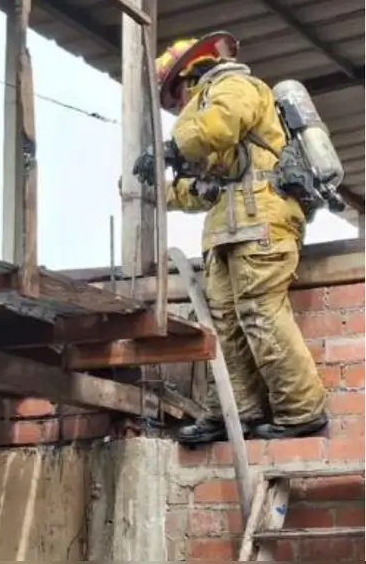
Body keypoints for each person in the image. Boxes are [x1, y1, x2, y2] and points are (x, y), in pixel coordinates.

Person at [129, 31, 328, 445]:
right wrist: (153, 189)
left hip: (263, 222)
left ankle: (301, 411)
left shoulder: (235, 86)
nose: (178, 107)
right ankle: (236, 413)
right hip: (228, 230)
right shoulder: (208, 121)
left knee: (259, 312)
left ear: (191, 75)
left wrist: (170, 149)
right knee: (228, 326)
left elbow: (217, 125)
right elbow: (205, 187)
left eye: (176, 96)